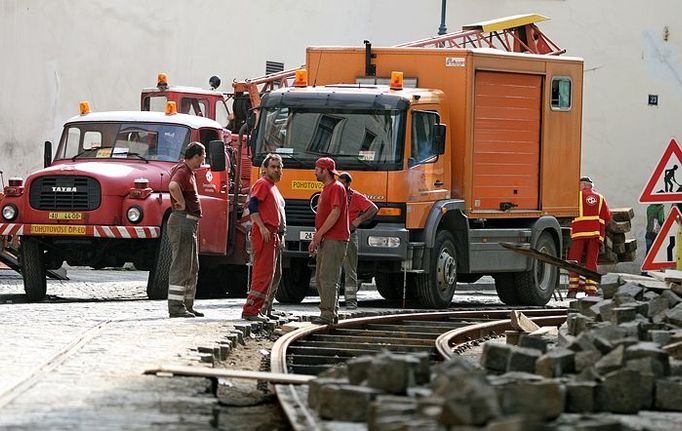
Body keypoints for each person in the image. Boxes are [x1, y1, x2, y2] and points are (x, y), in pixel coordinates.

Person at [242, 154, 284, 322]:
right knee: (262, 272)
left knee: (268, 273)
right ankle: (251, 309)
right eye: (273, 167)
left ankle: (256, 308)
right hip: (264, 233)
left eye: (279, 167)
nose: (276, 170)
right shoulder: (263, 184)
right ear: (265, 169)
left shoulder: (271, 186)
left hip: (270, 233)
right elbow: (252, 205)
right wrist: (262, 227)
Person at [308, 157, 349, 325]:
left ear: (325, 170)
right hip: (327, 238)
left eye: (317, 169)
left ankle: (327, 314)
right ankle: (331, 312)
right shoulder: (328, 188)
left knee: (327, 277)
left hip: (335, 239)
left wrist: (319, 235)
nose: (315, 172)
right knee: (321, 277)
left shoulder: (336, 188)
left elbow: (335, 212)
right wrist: (317, 237)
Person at [167, 142, 206, 318]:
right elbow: (173, 186)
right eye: (202, 158)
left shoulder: (187, 171)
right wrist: (181, 203)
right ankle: (176, 307)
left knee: (192, 267)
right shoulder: (183, 171)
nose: (203, 162)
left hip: (188, 223)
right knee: (182, 265)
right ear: (196, 155)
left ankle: (187, 305)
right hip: (183, 222)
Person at [338, 172, 378, 309]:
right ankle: (332, 301)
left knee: (350, 269)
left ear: (349, 184)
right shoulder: (334, 194)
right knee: (333, 270)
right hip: (335, 236)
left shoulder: (355, 196)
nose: (340, 185)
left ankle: (351, 301)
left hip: (350, 235)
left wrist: (359, 220)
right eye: (339, 182)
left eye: (343, 183)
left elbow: (373, 208)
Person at [567, 176, 611, 298]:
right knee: (591, 262)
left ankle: (572, 290)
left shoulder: (575, 197)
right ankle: (591, 291)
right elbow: (607, 217)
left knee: (574, 262)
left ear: (584, 185)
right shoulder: (600, 198)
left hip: (578, 234)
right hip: (594, 235)